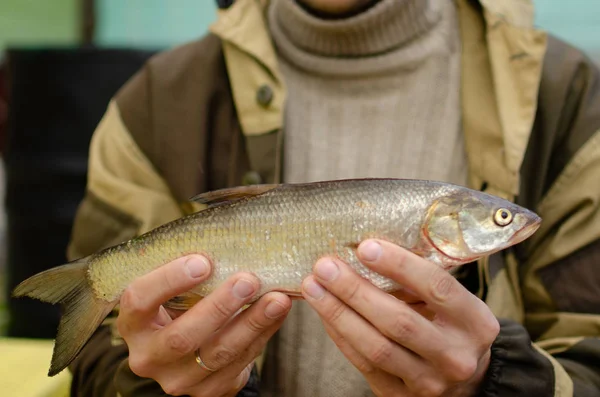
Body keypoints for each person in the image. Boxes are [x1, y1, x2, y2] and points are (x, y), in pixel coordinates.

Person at [66, 0, 600, 396]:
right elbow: (98, 356)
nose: (509, 223)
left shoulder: (567, 97)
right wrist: (161, 383)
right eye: (500, 218)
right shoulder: (156, 103)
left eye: (500, 216)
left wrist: (494, 381)